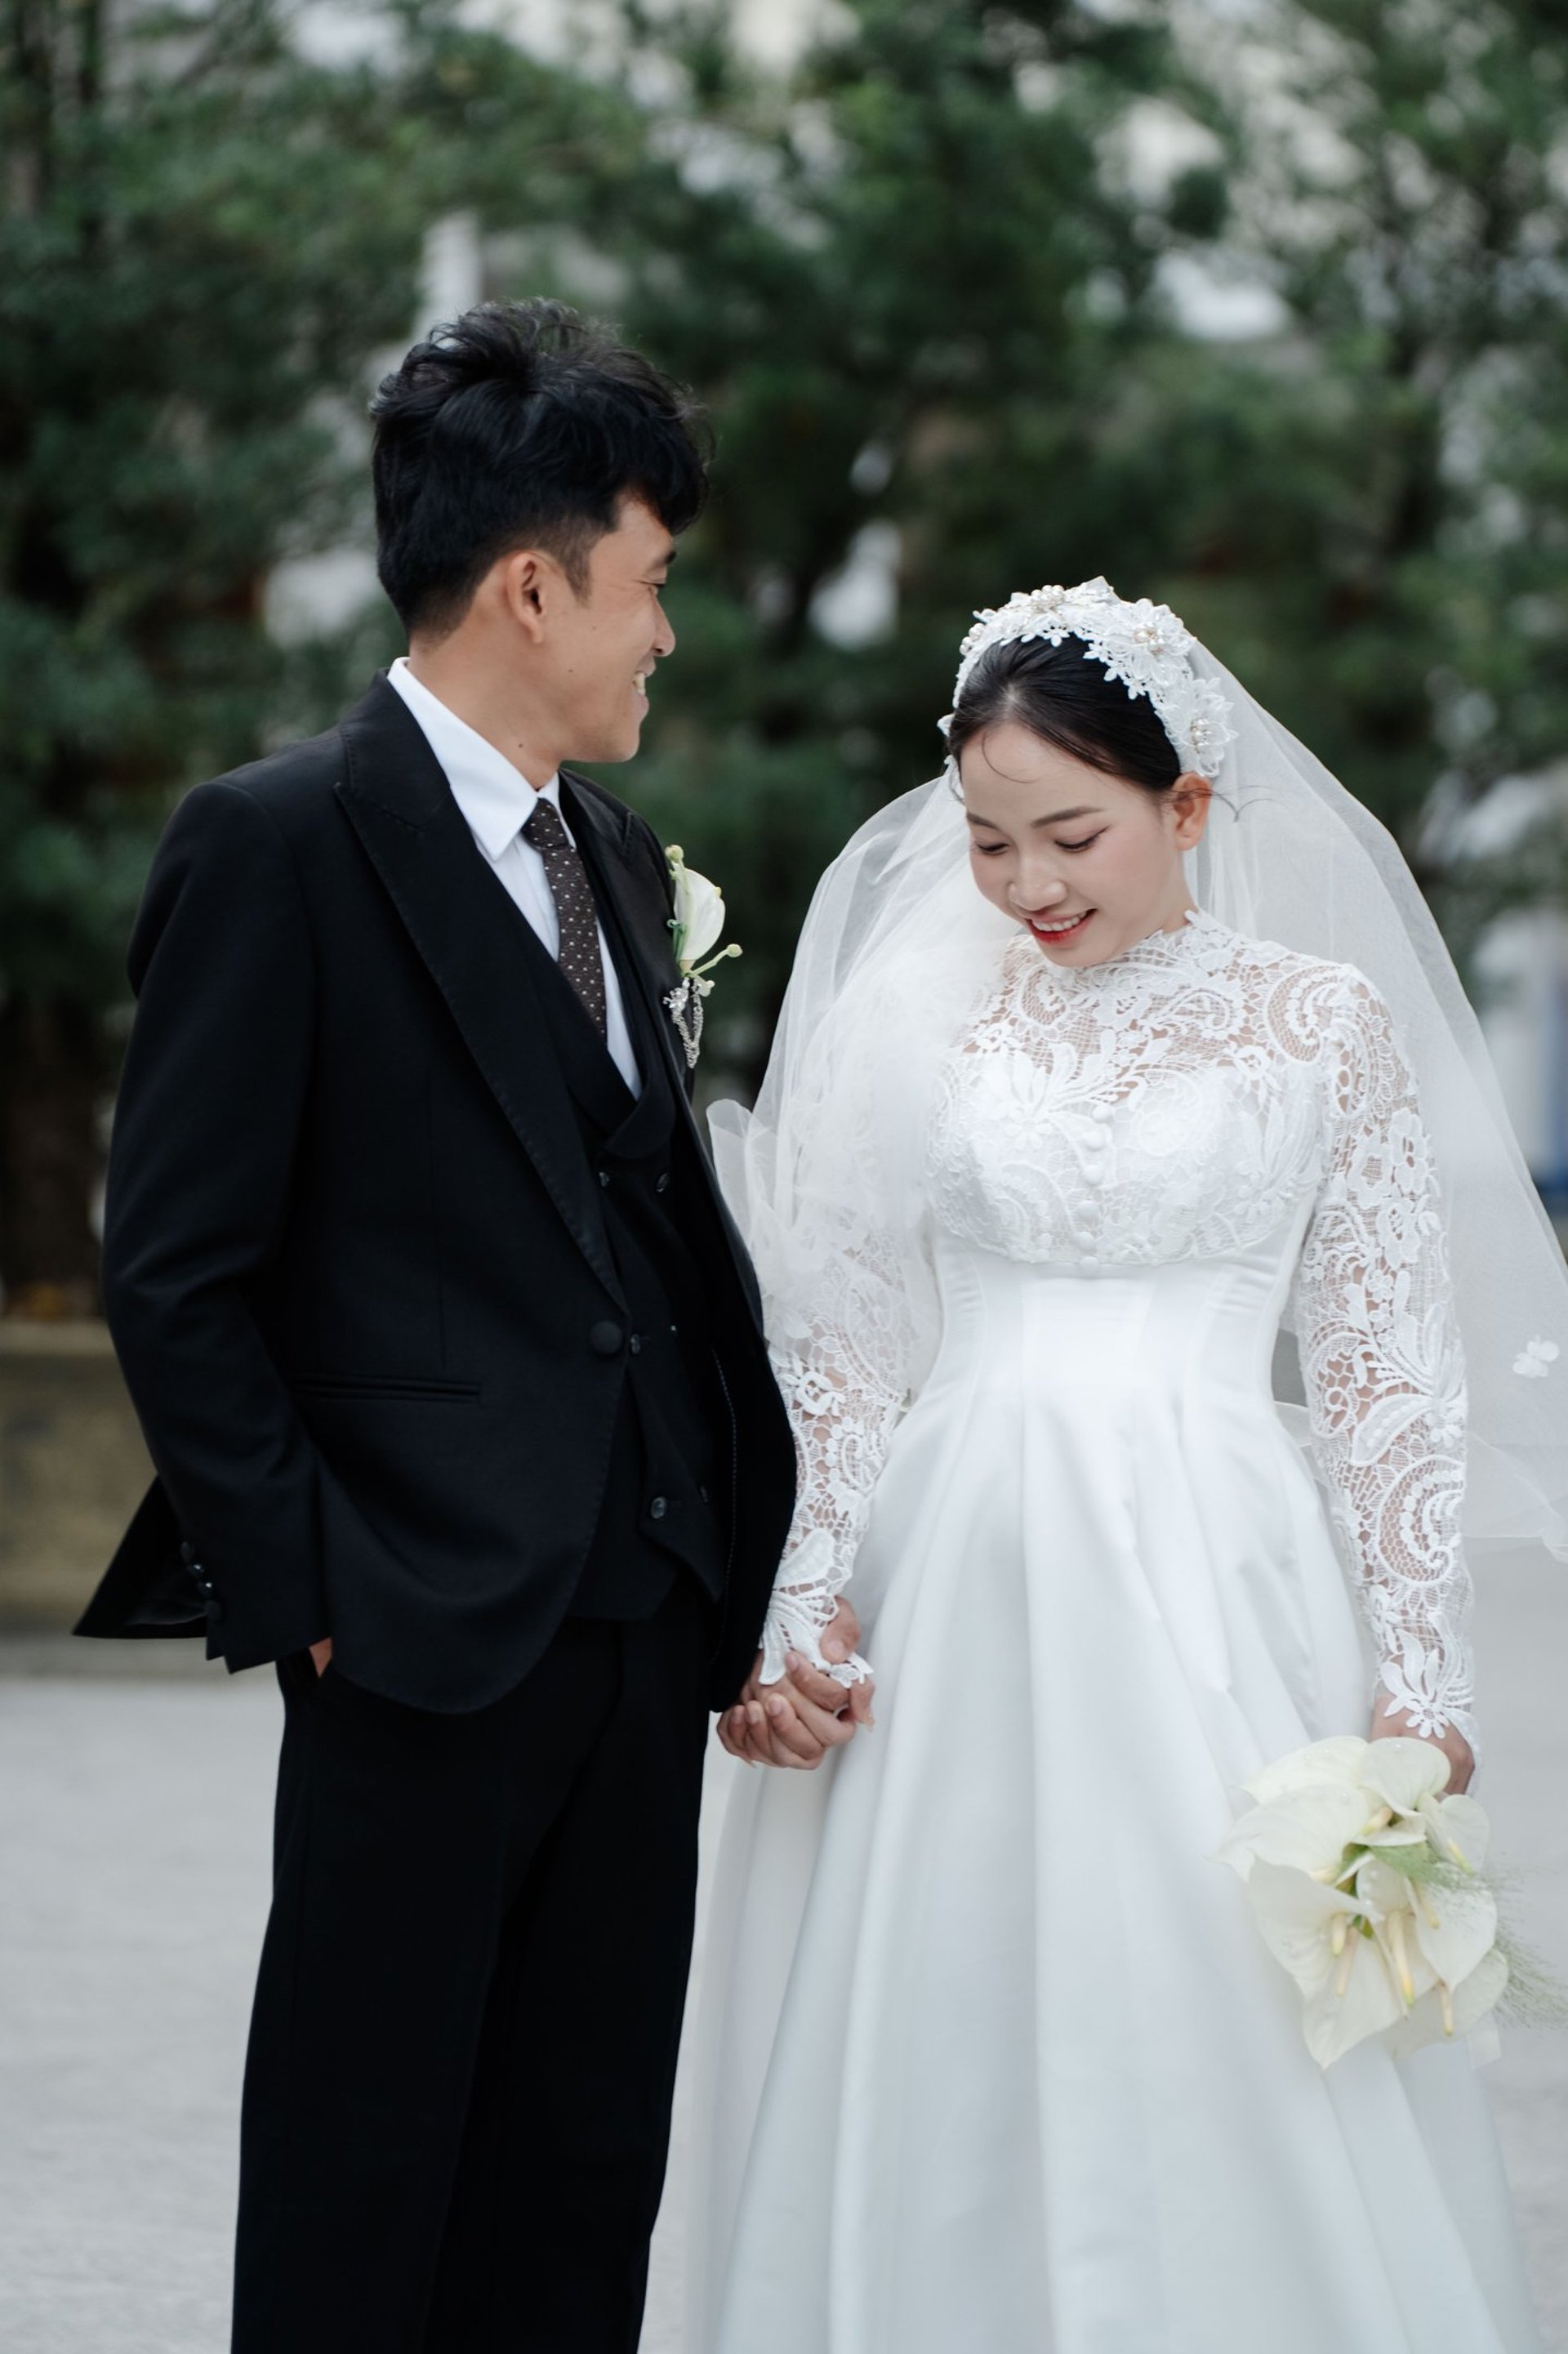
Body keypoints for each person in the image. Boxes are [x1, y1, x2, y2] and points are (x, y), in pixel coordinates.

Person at [74, 297, 863, 2354]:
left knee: (580, 2171)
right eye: (652, 581)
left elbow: (637, 1221)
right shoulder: (277, 840)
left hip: (635, 1622)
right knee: (366, 2173)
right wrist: (308, 1583)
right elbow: (171, 1262)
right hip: (411, 1635)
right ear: (535, 581)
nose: (666, 634)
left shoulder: (601, 848)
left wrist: (743, 1555)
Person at [685, 577, 1568, 2352]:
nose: (1028, 887)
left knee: (1213, 1997)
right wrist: (799, 1601)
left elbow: (1391, 1360)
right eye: (990, 841)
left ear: (1188, 804)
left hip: (1216, 1568)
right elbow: (843, 1343)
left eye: (1070, 833)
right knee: (956, 1995)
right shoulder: (920, 1015)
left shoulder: (1318, 1022)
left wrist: (1421, 1679)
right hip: (961, 1568)